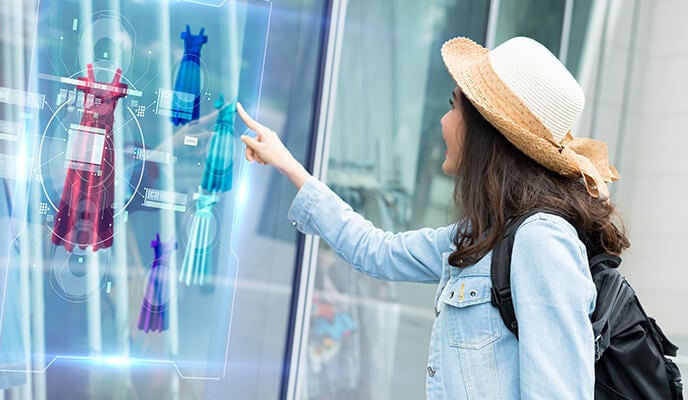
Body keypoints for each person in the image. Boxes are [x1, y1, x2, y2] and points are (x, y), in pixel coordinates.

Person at [237, 36, 628, 399]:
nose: (442, 122)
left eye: (452, 106)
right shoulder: (485, 236)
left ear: (483, 131)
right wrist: (289, 166)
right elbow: (378, 251)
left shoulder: (540, 241)